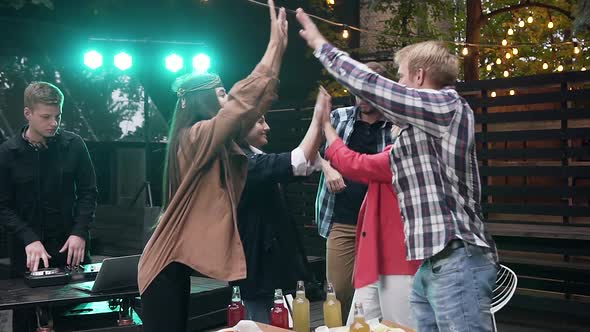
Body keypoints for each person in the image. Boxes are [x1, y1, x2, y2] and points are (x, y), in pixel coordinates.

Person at [297, 9, 498, 331]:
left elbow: (375, 88)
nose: (399, 83)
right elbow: (361, 164)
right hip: (432, 262)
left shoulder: (448, 106)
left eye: (402, 76)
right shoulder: (414, 134)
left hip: (457, 256)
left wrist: (322, 45)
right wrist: (326, 132)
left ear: (419, 76)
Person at [137, 2, 288, 331]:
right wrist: (272, 45)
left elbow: (256, 101)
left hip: (175, 266)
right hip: (161, 267)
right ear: (202, 100)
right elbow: (240, 105)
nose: (226, 102)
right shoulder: (194, 138)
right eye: (220, 94)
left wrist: (278, 52)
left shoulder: (214, 140)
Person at [231, 89, 327, 323]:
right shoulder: (241, 163)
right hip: (255, 265)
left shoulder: (255, 157)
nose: (267, 127)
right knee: (259, 323)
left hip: (274, 263)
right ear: (242, 128)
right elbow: (298, 162)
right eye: (260, 121)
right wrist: (317, 119)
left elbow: (307, 162)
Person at [315, 62, 394, 322]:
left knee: (379, 294)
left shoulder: (395, 124)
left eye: (367, 91)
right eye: (357, 91)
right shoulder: (339, 117)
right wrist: (328, 169)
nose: (360, 97)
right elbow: (313, 151)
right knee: (338, 292)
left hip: (380, 223)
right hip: (343, 218)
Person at [323, 117, 420, 328]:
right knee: (357, 325)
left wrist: (326, 126)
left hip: (399, 262)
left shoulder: (410, 154)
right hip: (375, 259)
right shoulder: (395, 150)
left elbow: (355, 164)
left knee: (398, 327)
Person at [0, 82, 97, 276]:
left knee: (81, 305)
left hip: (70, 247)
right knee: (30, 304)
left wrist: (79, 232)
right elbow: (2, 206)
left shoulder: (74, 145)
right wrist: (28, 237)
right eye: (46, 117)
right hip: (28, 251)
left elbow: (88, 193)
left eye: (58, 116)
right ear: (28, 113)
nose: (54, 123)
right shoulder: (8, 153)